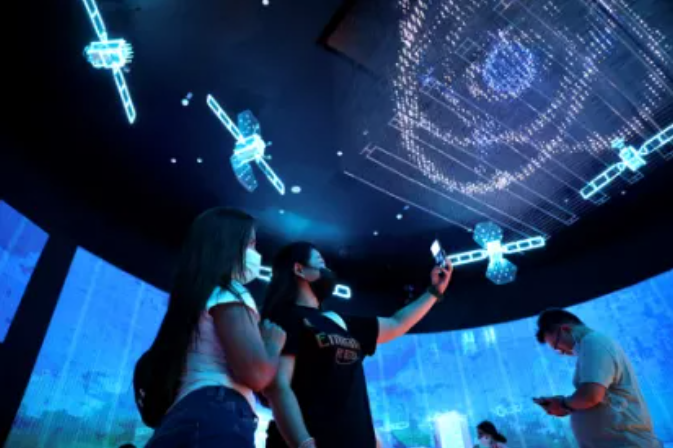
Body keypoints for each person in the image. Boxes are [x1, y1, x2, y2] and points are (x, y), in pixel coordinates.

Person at [260, 242, 452, 448]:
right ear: (299, 269)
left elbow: (397, 323)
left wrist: (435, 291)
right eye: (321, 263)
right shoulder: (284, 318)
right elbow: (278, 386)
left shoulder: (338, 320)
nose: (327, 271)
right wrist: (303, 443)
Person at [133, 207, 286, 448]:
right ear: (228, 245)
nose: (256, 255)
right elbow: (256, 375)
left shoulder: (194, 299)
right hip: (217, 415)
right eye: (251, 245)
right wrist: (272, 344)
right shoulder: (230, 292)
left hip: (182, 417)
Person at [533, 308, 662, 448]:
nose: (563, 353)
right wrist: (565, 404)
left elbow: (590, 396)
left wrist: (563, 404)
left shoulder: (593, 342)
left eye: (557, 347)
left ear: (565, 329)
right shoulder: (591, 346)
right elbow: (595, 397)